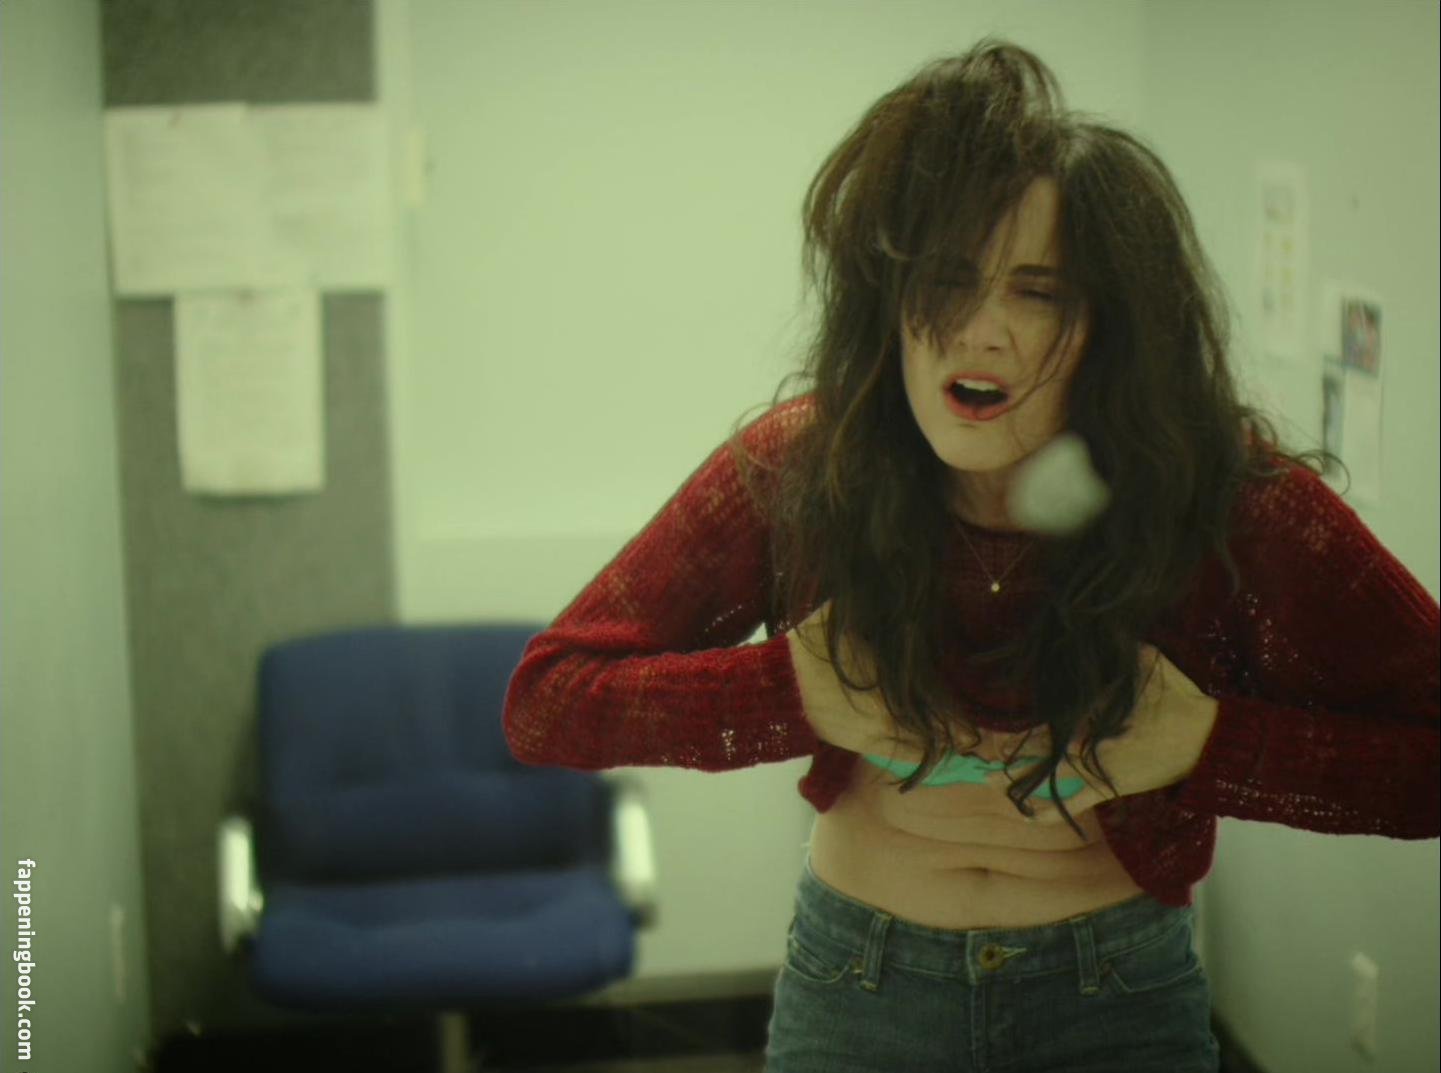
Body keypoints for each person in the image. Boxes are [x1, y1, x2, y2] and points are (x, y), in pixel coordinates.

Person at [502, 37, 1439, 1073]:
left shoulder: (1216, 494)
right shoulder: (805, 467)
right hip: (859, 986)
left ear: (1110, 325)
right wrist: (786, 689)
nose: (980, 331)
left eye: (1036, 291)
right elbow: (548, 701)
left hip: (1114, 992)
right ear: (888, 299)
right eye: (947, 280)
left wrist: (1213, 741)